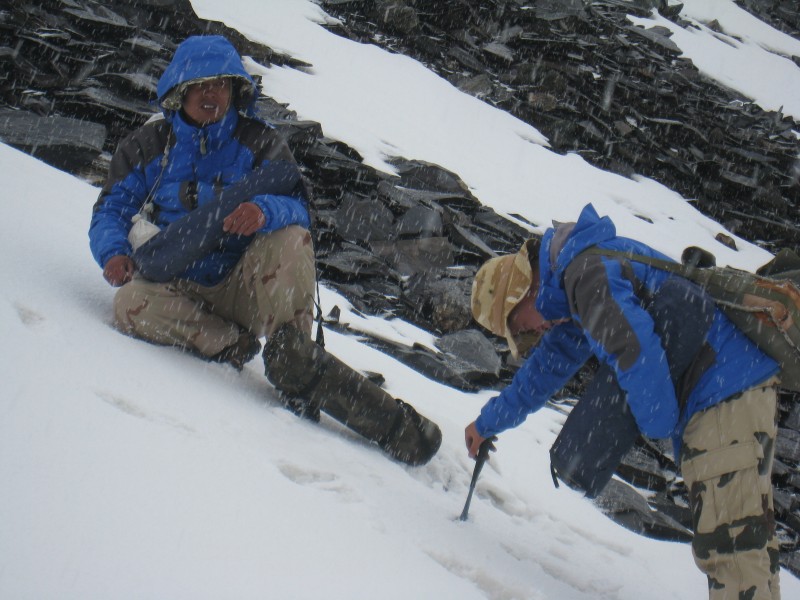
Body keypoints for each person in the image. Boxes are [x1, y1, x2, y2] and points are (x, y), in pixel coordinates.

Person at [90, 35, 441, 466]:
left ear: (235, 90)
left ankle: (296, 358)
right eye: (201, 84)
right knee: (129, 304)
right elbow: (112, 208)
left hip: (248, 283)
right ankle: (228, 344)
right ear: (179, 90)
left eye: (221, 84)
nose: (212, 94)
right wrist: (112, 253)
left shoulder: (260, 142)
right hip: (181, 284)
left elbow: (300, 208)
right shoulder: (148, 146)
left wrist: (263, 209)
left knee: (291, 236)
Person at [465, 203, 782, 599]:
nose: (531, 332)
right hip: (731, 389)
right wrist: (486, 424)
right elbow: (543, 372)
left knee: (730, 547)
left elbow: (636, 355)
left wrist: (657, 427)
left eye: (518, 327)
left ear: (521, 294)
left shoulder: (587, 276)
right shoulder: (575, 283)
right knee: (746, 542)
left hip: (722, 395)